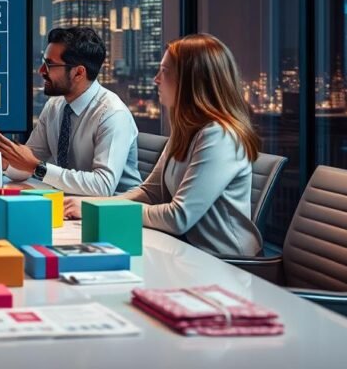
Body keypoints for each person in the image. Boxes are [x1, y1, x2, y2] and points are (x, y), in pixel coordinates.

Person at [65, 34, 263, 257]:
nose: (156, 79)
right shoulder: (187, 130)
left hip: (225, 264)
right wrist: (93, 205)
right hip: (184, 253)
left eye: (164, 71)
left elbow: (178, 218)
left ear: (191, 80)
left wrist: (103, 209)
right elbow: (150, 193)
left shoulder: (220, 136)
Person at [0, 26, 141, 196]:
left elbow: (102, 186)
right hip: (69, 204)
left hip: (115, 212)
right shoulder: (55, 106)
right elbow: (27, 163)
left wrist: (37, 167)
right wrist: (6, 161)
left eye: (49, 64)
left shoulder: (112, 114)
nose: (41, 70)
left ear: (79, 72)